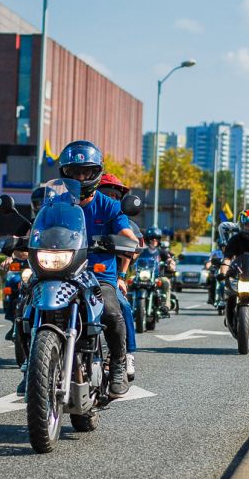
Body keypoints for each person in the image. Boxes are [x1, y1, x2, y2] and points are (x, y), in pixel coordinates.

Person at [54, 141, 139, 397]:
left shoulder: (109, 206)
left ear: (96, 173)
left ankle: (117, 365)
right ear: (65, 173)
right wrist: (19, 243)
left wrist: (127, 243)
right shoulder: (57, 203)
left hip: (98, 276)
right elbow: (36, 230)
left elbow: (128, 236)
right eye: (74, 172)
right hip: (63, 273)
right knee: (28, 304)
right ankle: (29, 367)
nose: (80, 177)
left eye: (86, 172)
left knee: (113, 312)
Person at [97, 172, 140, 380]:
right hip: (70, 271)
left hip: (106, 276)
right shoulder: (76, 210)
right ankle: (30, 364)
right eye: (105, 193)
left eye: (115, 195)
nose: (110, 198)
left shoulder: (120, 218)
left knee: (121, 306)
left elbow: (129, 250)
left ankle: (126, 355)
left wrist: (122, 277)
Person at [141, 226, 176, 313]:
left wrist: (171, 264)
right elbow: (134, 258)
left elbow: (169, 259)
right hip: (142, 276)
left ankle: (165, 305)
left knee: (166, 282)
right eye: (152, 239)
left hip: (157, 276)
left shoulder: (161, 252)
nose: (154, 241)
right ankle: (128, 304)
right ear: (147, 240)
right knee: (130, 281)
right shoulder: (142, 251)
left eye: (156, 239)